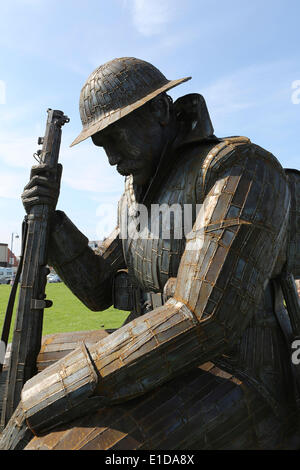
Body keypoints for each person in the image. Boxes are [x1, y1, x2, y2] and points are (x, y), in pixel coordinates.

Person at [1, 57, 300, 450]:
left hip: (234, 372)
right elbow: (99, 290)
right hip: (159, 350)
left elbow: (202, 319)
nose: (110, 159)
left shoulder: (238, 169)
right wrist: (51, 224)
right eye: (100, 144)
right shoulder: (135, 193)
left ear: (159, 110)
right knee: (16, 368)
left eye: (115, 137)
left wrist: (53, 391)